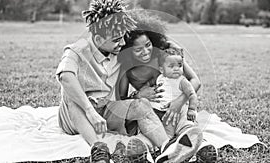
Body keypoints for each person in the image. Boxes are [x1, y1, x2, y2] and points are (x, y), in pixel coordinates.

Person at [56, 0, 203, 163]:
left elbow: (152, 47)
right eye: (117, 39)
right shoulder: (76, 50)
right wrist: (90, 111)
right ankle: (98, 150)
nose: (123, 43)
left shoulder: (118, 52)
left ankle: (167, 151)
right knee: (73, 97)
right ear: (98, 38)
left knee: (142, 105)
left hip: (105, 111)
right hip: (76, 116)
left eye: (123, 37)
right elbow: (66, 77)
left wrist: (165, 44)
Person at [117, 10, 218, 162]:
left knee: (184, 122)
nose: (145, 52)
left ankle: (200, 145)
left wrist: (180, 102)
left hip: (176, 107)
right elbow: (121, 100)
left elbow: (195, 80)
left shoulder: (164, 54)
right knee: (147, 128)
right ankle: (145, 153)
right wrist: (138, 95)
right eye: (138, 50)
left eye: (148, 45)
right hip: (151, 111)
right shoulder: (126, 69)